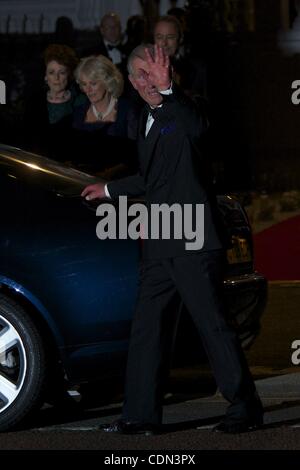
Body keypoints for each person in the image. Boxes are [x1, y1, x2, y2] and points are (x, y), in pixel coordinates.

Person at [81, 45, 264, 435]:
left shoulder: (183, 108)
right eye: (141, 76)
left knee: (212, 326)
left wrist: (169, 91)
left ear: (168, 73)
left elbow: (199, 129)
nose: (149, 81)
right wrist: (110, 190)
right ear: (130, 81)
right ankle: (139, 415)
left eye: (155, 73)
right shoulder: (144, 119)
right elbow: (153, 179)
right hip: (162, 236)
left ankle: (245, 407)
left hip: (193, 239)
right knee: (147, 329)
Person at [72, 54, 137, 174]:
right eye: (84, 84)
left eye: (93, 83)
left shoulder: (127, 111)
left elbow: (135, 157)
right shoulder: (79, 113)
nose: (88, 90)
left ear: (108, 81)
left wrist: (107, 175)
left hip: (118, 184)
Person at [23, 43, 85, 160]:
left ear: (69, 75)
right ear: (45, 76)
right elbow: (27, 140)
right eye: (51, 72)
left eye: (62, 72)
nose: (57, 78)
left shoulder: (80, 101)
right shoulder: (34, 101)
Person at [153, 15, 208, 100]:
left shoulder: (197, 68)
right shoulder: (143, 67)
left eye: (170, 37)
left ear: (180, 39)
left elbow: (201, 105)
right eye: (159, 37)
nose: (164, 43)